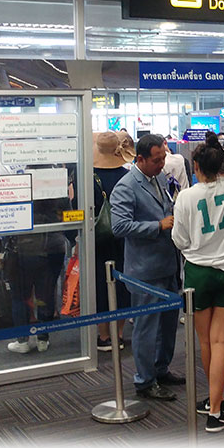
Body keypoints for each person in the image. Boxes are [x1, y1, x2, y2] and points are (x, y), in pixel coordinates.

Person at [172, 133, 224, 433]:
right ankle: (216, 407)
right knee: (222, 342)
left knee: (205, 342)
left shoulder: (186, 196)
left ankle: (213, 402)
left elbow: (179, 239)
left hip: (197, 273)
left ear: (196, 166)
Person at [110, 133, 184, 400]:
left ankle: (161, 369)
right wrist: (157, 226)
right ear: (140, 159)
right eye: (156, 160)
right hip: (144, 271)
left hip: (167, 264)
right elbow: (119, 227)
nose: (162, 164)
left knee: (167, 324)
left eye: (164, 158)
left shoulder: (160, 178)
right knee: (145, 327)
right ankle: (144, 379)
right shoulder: (126, 186)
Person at [5, 172, 71, 353]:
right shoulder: (59, 192)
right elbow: (69, 218)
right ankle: (43, 338)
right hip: (54, 248)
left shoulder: (21, 191)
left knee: (20, 295)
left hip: (26, 248)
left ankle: (22, 340)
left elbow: (10, 219)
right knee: (47, 294)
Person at [92, 132, 132, 351]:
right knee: (122, 284)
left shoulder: (86, 176)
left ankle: (103, 336)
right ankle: (118, 334)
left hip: (96, 239)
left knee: (99, 283)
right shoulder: (127, 176)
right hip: (123, 237)